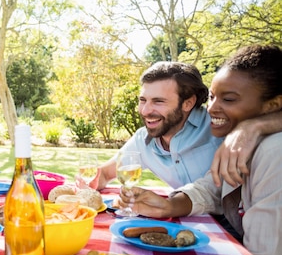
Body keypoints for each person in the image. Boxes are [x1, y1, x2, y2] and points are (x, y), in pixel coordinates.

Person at [120, 44, 282, 255]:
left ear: (273, 106)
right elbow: (212, 186)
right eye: (214, 97)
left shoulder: (272, 151)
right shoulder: (240, 142)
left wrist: (254, 125)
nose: (212, 108)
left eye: (228, 99)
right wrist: (169, 205)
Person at [91, 61, 282, 191]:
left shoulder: (219, 122)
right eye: (143, 100)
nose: (145, 110)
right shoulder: (143, 140)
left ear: (188, 103)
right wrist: (84, 184)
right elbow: (105, 174)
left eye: (158, 101)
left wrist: (252, 126)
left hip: (239, 232)